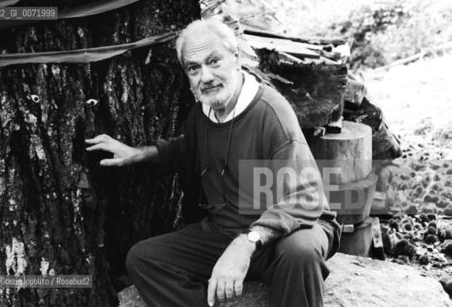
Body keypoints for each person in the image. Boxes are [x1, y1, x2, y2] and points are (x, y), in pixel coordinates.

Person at [86, 19, 341, 307]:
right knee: (144, 260)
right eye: (194, 68)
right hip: (226, 232)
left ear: (236, 58)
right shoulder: (202, 113)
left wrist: (245, 244)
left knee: (300, 253)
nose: (205, 76)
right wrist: (141, 154)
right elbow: (187, 149)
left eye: (214, 61)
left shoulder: (271, 113)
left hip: (287, 231)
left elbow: (305, 197)